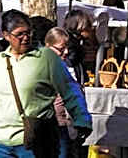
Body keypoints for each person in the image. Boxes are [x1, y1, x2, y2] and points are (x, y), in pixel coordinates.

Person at [0, 10, 91, 158]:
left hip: (35, 143)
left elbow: (70, 89)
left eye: (28, 33)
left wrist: (82, 120)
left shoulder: (47, 58)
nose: (25, 38)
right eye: (19, 34)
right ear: (6, 35)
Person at [44, 28, 86, 158]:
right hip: (46, 127)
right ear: (48, 46)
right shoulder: (40, 67)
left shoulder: (65, 66)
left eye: (66, 48)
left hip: (63, 126)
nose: (66, 52)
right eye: (61, 49)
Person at [63, 10, 96, 82]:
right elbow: (71, 64)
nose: (91, 29)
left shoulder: (76, 42)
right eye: (88, 26)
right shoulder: (70, 44)